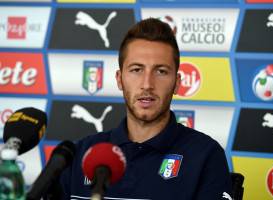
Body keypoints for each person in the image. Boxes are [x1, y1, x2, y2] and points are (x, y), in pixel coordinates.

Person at [60, 18, 233, 200]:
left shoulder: (205, 156)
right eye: (136, 70)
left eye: (161, 71)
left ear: (177, 83)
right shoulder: (80, 154)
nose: (147, 84)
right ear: (119, 79)